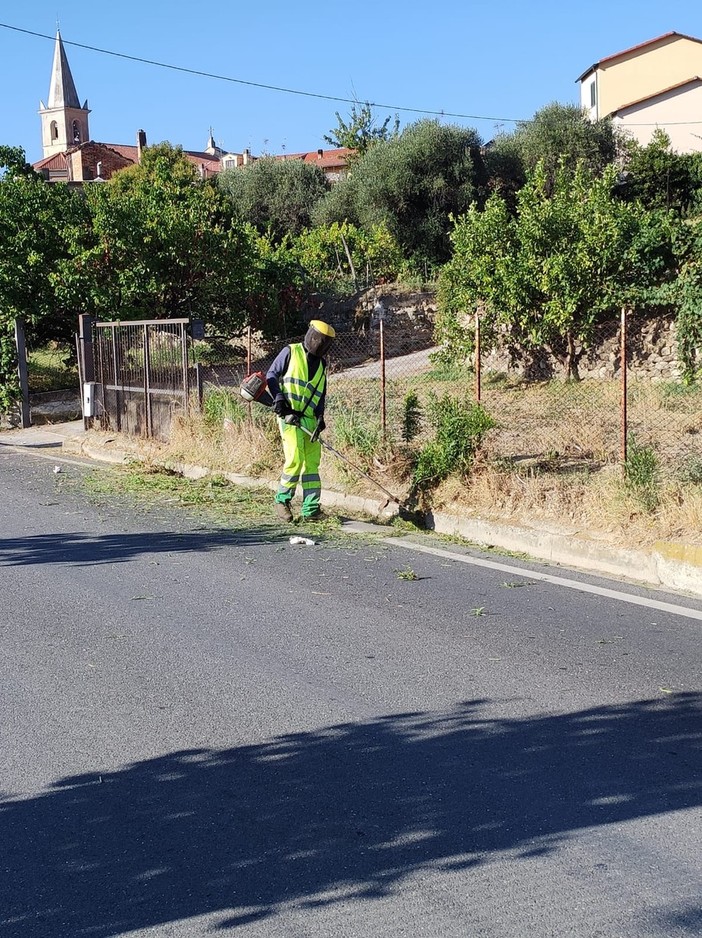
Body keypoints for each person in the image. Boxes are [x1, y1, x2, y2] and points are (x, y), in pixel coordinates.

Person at [266, 320, 336, 522]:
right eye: (320, 340)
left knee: (312, 464)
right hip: (289, 417)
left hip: (310, 421)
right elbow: (272, 374)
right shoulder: (290, 351)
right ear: (312, 337)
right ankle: (282, 501)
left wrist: (321, 416)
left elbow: (321, 392)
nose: (321, 345)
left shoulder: (322, 365)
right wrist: (279, 398)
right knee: (295, 459)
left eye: (326, 343)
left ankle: (310, 509)